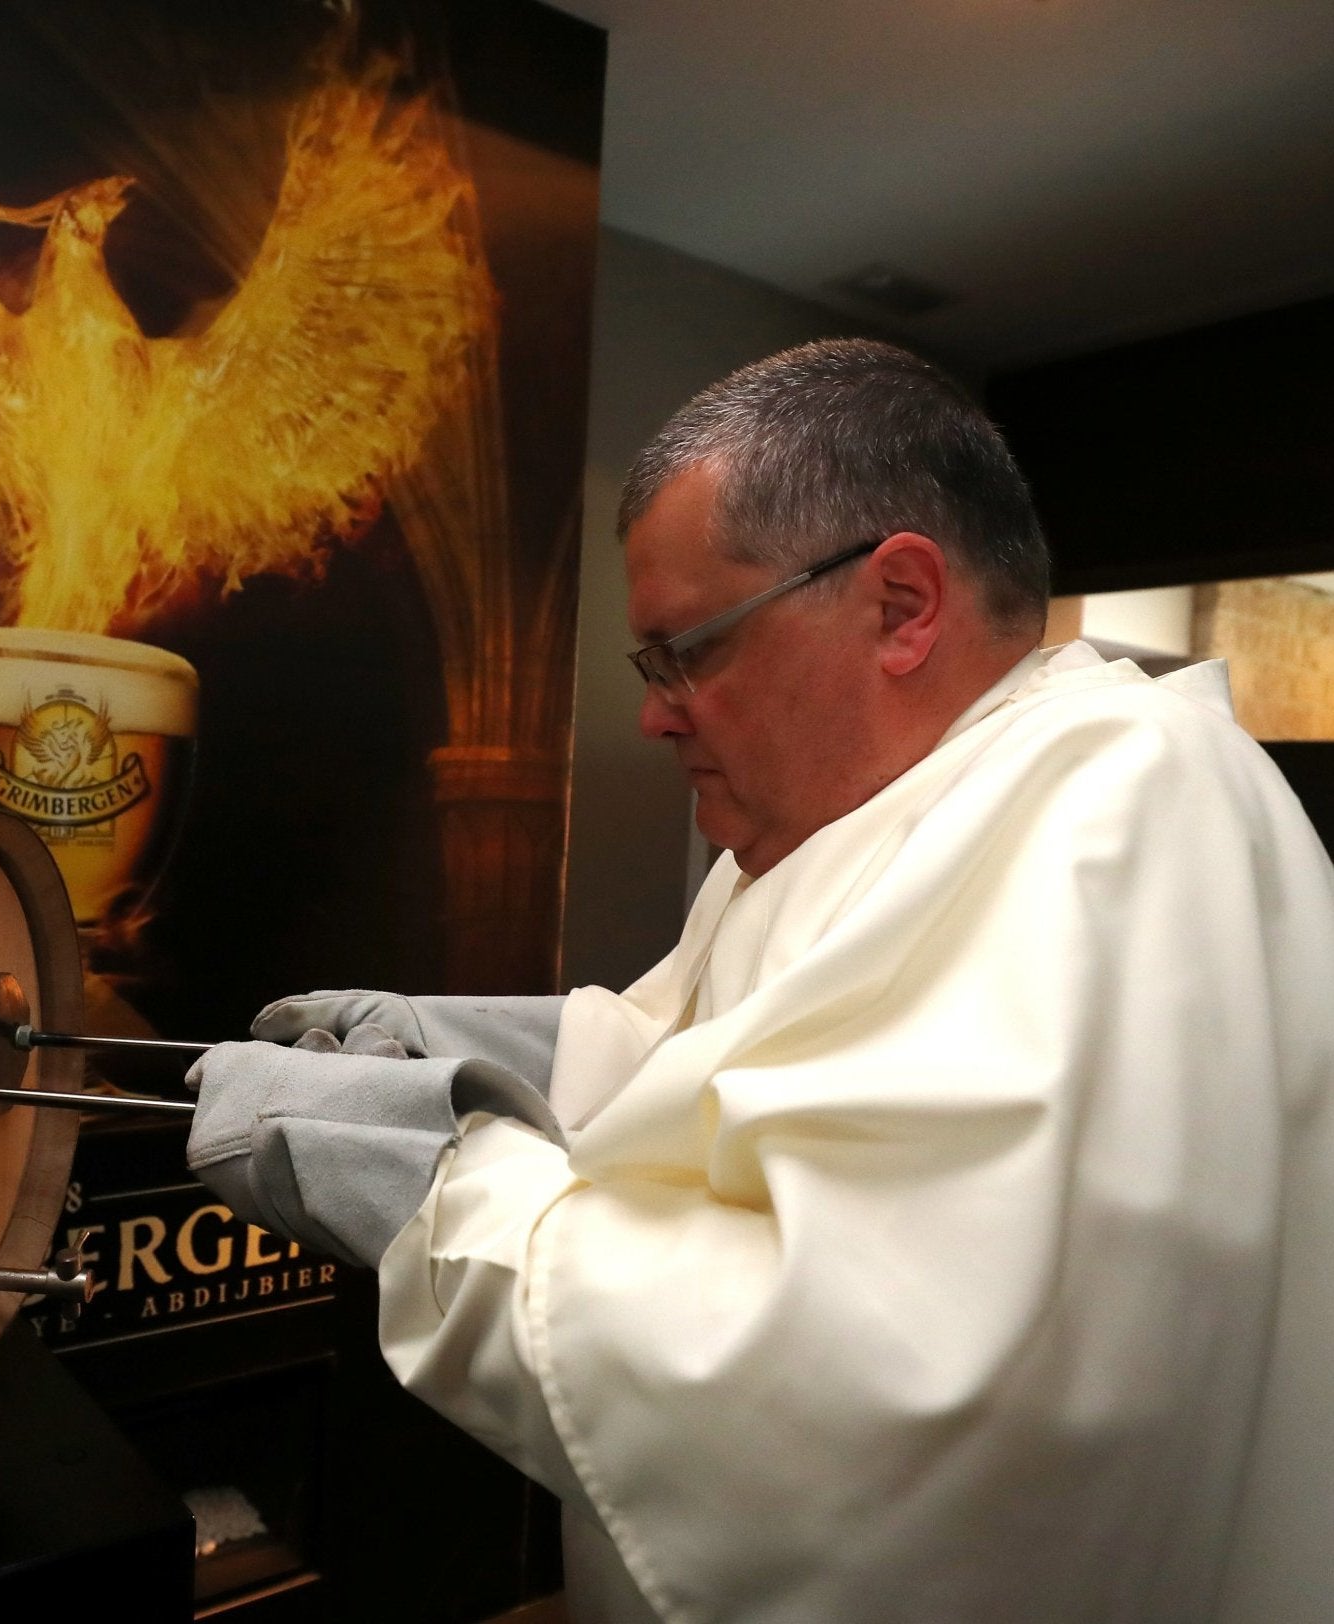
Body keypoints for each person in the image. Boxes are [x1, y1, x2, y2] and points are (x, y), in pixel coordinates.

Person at [184, 339, 1334, 1623]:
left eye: (687, 651)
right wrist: (478, 1047)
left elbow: (872, 1394)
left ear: (902, 603)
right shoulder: (878, 806)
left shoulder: (1123, 802)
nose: (656, 713)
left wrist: (435, 1192)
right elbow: (718, 1062)